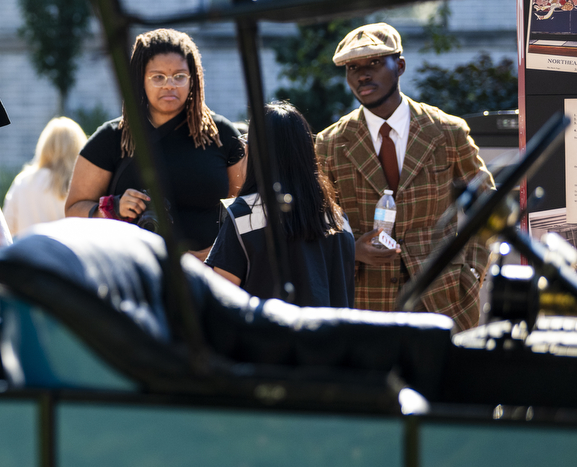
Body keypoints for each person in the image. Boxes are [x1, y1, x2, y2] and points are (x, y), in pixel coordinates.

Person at [315, 23, 493, 329]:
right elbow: (316, 222)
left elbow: (489, 205)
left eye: (374, 63)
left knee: (448, 378)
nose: (362, 74)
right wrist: (352, 249)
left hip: (444, 300)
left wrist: (473, 272)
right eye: (352, 67)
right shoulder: (330, 143)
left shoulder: (446, 131)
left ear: (399, 66)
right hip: (365, 303)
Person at [66, 28, 248, 257]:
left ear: (193, 79)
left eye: (179, 76)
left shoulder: (221, 135)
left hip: (210, 277)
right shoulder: (112, 138)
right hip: (135, 276)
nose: (169, 85)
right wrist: (111, 207)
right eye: (158, 77)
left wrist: (220, 254)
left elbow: (249, 209)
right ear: (140, 80)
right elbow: (73, 209)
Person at [205, 102, 355, 308]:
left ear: (257, 152)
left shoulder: (242, 215)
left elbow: (220, 299)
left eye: (248, 141)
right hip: (328, 338)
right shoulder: (338, 219)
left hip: (266, 338)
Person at [3, 116, 88, 237]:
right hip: (66, 254)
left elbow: (6, 229)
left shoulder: (23, 181)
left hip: (27, 254)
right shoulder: (81, 185)